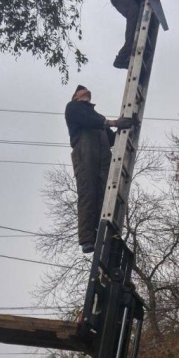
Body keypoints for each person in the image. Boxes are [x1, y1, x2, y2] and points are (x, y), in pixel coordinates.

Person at [65, 85, 120, 254]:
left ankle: (103, 234)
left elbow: (111, 139)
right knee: (88, 192)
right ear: (76, 96)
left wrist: (123, 129)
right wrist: (112, 122)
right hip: (84, 153)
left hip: (103, 156)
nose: (87, 92)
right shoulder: (73, 108)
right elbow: (88, 120)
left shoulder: (98, 117)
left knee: (105, 194)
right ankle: (87, 238)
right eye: (82, 91)